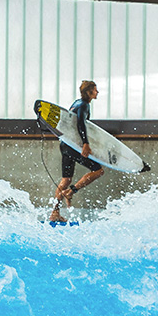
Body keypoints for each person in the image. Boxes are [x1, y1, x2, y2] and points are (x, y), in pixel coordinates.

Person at [50, 80, 104, 223]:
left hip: (65, 144)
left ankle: (55, 212)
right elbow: (80, 123)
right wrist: (85, 143)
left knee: (66, 179)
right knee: (98, 171)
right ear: (88, 92)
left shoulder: (76, 103)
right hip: (73, 146)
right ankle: (71, 192)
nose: (97, 92)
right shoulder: (84, 105)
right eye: (95, 90)